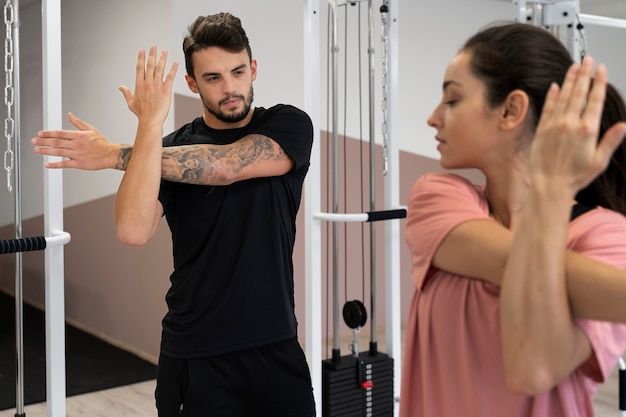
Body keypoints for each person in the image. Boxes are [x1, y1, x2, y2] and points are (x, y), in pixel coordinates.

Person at [33, 13, 315, 417]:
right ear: (191, 83)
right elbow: (132, 230)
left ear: (253, 69)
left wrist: (115, 154)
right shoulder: (166, 149)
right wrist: (149, 124)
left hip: (275, 349)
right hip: (194, 354)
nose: (231, 87)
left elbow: (228, 166)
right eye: (213, 78)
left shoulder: (288, 125)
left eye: (238, 71)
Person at [402, 22, 626, 417]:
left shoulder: (606, 235)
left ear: (510, 110)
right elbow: (514, 263)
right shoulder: (438, 198)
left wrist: (553, 192)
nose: (433, 118)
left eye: (452, 101)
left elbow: (533, 368)